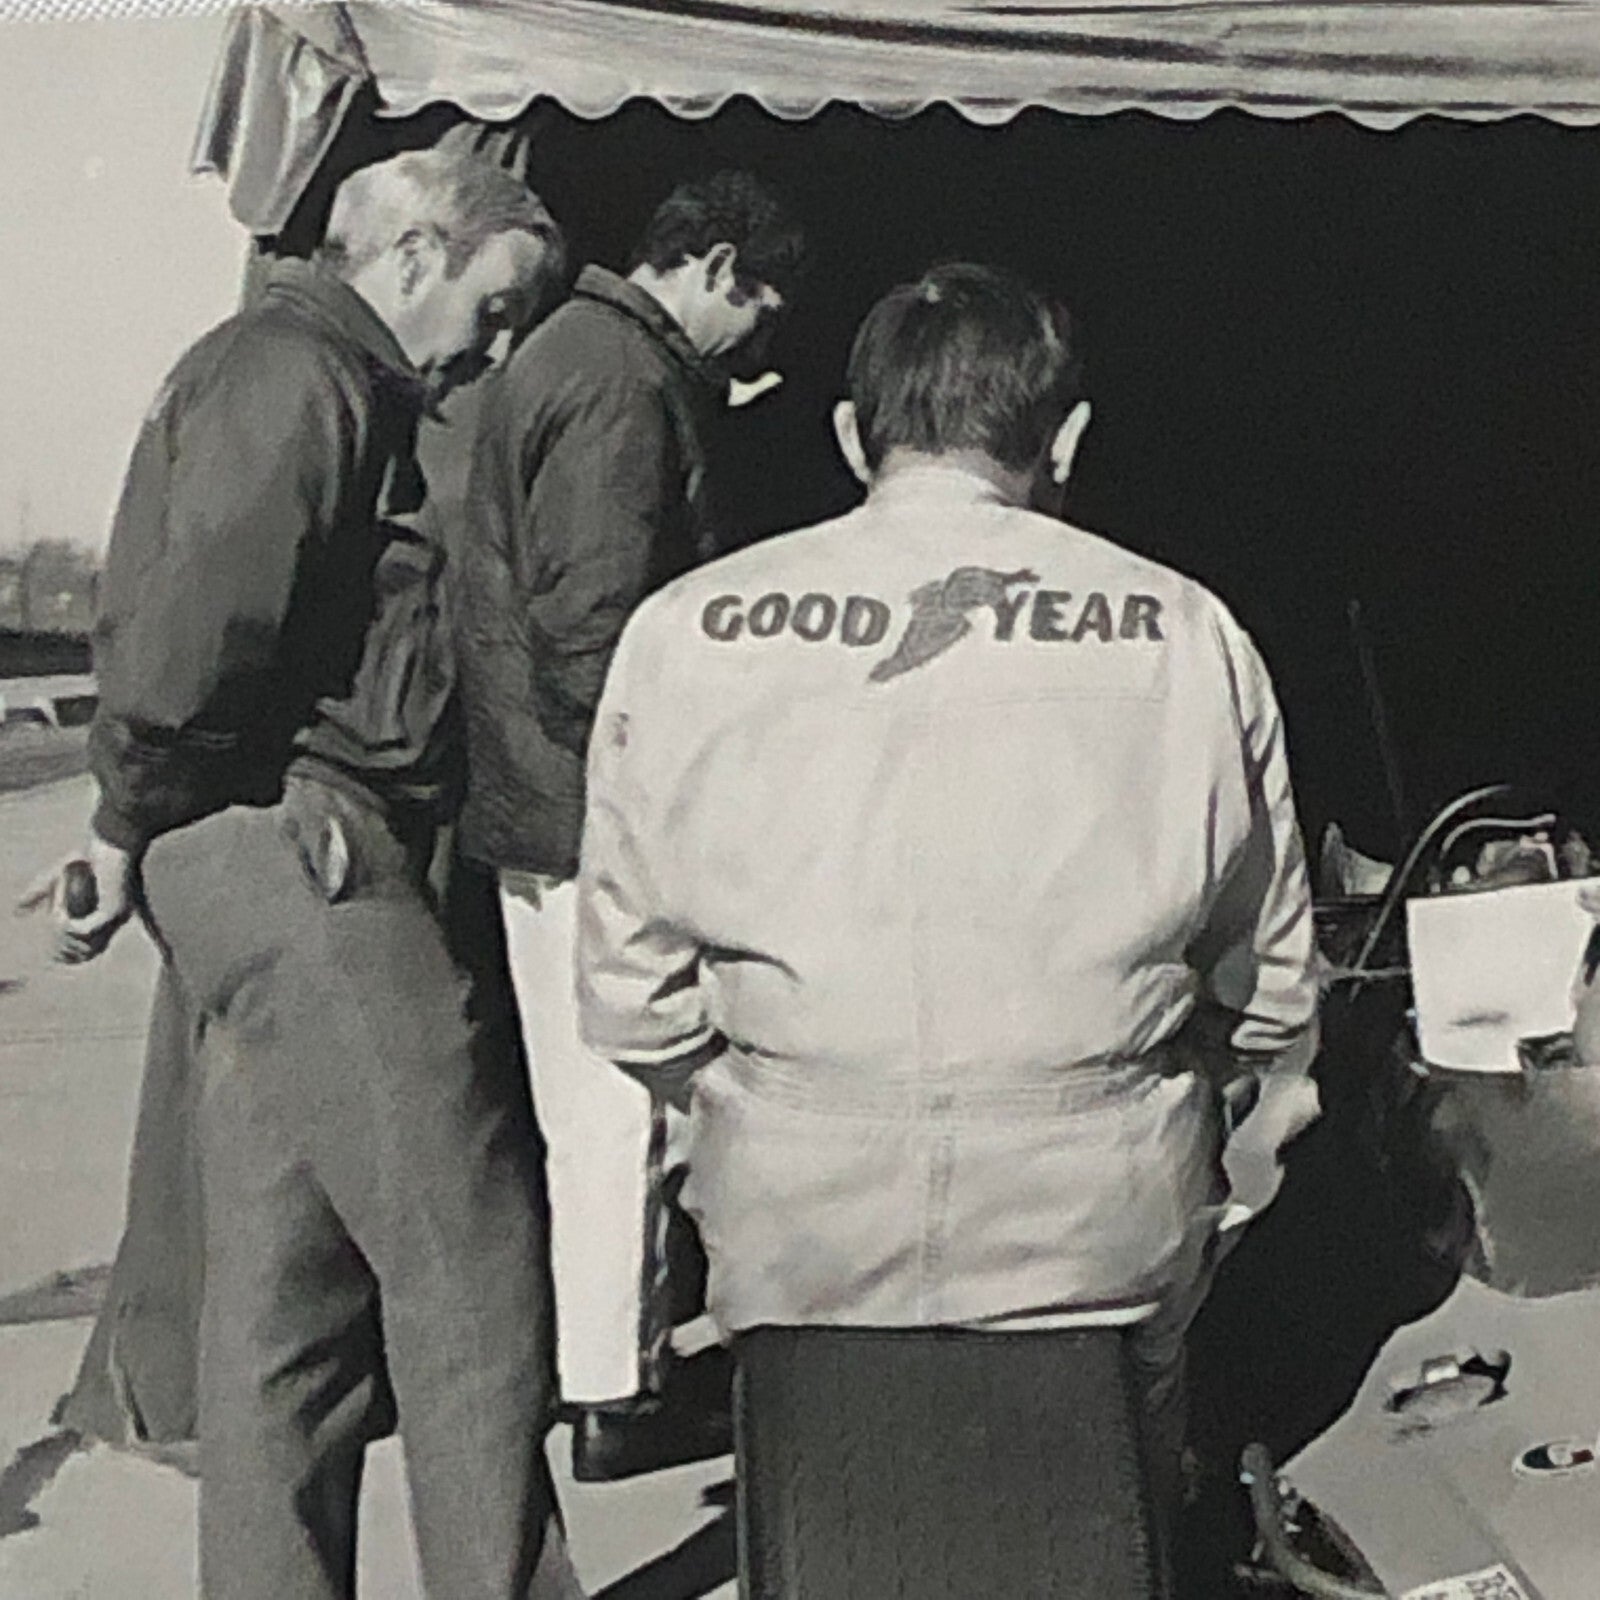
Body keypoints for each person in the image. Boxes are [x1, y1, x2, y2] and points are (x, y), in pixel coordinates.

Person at [574, 262, 1322, 1537]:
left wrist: (763, 1111)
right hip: (1099, 1225)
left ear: (851, 437)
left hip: (799, 1226)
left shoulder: (681, 630)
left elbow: (631, 1001)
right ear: (1068, 439)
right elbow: (1270, 985)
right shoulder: (1189, 631)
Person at [24, 149, 580, 1600]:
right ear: (413, 256)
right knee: (473, 1251)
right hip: (305, 846)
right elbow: (194, 638)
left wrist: (134, 833)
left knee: (291, 1303)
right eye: (496, 304)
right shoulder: (300, 374)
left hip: (255, 851)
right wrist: (134, 809)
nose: (497, 345)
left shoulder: (305, 374)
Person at [448, 169, 805, 1468]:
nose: (759, 334)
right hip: (592, 814)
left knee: (590, 1109)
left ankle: (610, 1369)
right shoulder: (616, 380)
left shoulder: (579, 356)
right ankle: (615, 1395)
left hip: (544, 803)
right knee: (619, 1107)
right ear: (712, 265)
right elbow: (594, 629)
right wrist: (680, 802)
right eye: (756, 300)